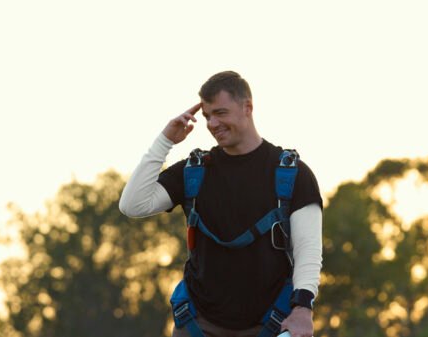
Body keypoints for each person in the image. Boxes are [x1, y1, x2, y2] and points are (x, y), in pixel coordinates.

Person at [119, 71, 323, 337]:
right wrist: (165, 140)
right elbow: (133, 205)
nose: (212, 123)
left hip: (270, 324)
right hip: (199, 324)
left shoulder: (293, 173)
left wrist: (303, 310)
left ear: (247, 107)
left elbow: (308, 251)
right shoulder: (194, 171)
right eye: (206, 116)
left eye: (220, 113)